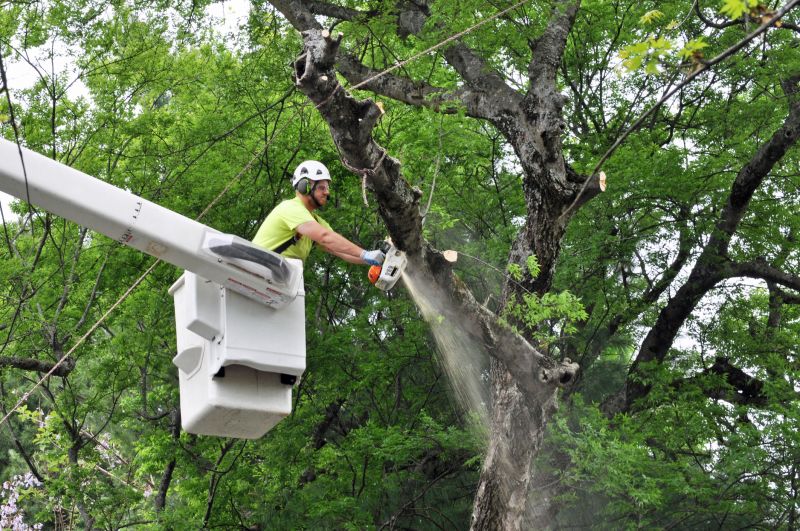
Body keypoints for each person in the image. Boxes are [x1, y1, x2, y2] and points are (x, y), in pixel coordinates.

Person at [252, 160, 386, 266]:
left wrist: (371, 258)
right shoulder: (289, 207)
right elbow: (325, 236)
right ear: (304, 186)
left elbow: (339, 250)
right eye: (322, 187)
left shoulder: (316, 222)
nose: (327, 192)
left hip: (276, 276)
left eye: (327, 188)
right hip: (256, 269)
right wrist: (364, 254)